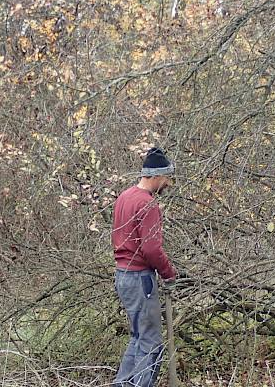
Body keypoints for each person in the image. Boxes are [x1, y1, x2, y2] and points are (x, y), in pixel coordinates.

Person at [112, 147, 178, 387]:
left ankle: (122, 384)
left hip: (123, 276)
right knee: (151, 343)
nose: (168, 183)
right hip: (140, 279)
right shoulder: (148, 204)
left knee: (138, 337)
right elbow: (151, 250)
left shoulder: (125, 196)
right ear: (156, 175)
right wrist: (169, 274)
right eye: (167, 178)